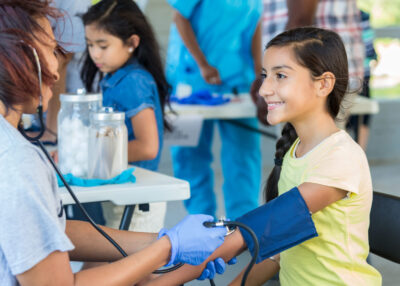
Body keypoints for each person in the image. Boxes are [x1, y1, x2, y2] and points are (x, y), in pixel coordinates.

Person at [0, 0, 231, 284]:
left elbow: (47, 229)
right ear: (20, 60)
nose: (59, 67)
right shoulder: (18, 161)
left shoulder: (13, 151)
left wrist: (164, 243)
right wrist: (169, 247)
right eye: (52, 50)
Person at [142, 27, 382, 286]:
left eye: (280, 76)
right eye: (265, 75)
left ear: (323, 84)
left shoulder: (340, 158)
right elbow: (277, 251)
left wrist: (162, 281)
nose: (264, 89)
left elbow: (261, 228)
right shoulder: (296, 151)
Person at [71, 0, 170, 233]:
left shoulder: (133, 81)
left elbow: (148, 147)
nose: (95, 53)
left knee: (125, 267)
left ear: (132, 43)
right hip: (123, 194)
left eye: (103, 46)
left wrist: (89, 152)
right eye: (90, 45)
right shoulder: (115, 77)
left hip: (138, 201)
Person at [166, 0, 263, 220]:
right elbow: (179, 17)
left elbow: (256, 23)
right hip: (189, 78)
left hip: (238, 79)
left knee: (244, 154)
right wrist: (202, 63)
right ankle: (200, 223)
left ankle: (244, 225)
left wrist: (260, 72)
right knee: (189, 157)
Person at [252, 0, 365, 125]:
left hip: (310, 75)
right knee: (307, 143)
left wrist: (273, 81)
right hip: (303, 73)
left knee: (318, 142)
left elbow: (300, 20)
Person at [347, 10, 378, 151]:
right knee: (362, 119)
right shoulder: (362, 16)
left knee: (341, 120)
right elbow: (369, 50)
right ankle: (360, 159)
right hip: (361, 76)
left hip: (337, 75)